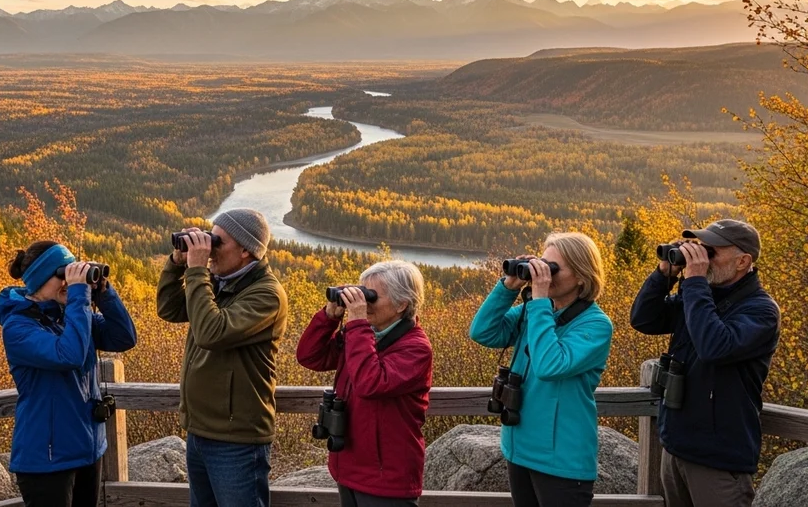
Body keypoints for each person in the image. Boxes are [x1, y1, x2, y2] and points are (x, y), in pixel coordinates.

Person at [630, 219, 780, 507]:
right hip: (675, 448)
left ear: (743, 261)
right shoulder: (699, 297)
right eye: (701, 248)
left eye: (711, 252)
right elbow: (644, 319)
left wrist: (695, 282)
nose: (702, 258)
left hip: (718, 461)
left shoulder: (761, 311)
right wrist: (664, 274)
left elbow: (714, 347)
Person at [468, 232, 613, 507]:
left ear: (581, 277)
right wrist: (508, 287)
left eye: (553, 268)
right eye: (542, 264)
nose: (543, 274)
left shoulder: (595, 325)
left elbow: (549, 366)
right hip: (519, 448)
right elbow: (482, 332)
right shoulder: (534, 313)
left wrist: (539, 303)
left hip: (562, 460)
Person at [155, 208, 288, 507]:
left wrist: (197, 270)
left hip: (236, 440)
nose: (210, 250)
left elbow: (210, 333)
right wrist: (177, 264)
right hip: (199, 431)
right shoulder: (219, 283)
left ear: (245, 250)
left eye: (217, 242)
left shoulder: (266, 295)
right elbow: (169, 309)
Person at [0, 241, 137, 507]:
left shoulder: (68, 316)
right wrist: (79, 294)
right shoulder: (18, 327)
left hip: (87, 451)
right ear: (39, 280)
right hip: (47, 461)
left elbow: (124, 337)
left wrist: (104, 294)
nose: (68, 283)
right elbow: (69, 355)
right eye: (63, 274)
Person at [296, 260, 434, 507]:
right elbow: (309, 356)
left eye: (371, 296)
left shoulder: (416, 348)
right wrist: (329, 317)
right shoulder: (362, 335)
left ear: (401, 304)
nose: (363, 302)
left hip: (386, 479)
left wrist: (357, 323)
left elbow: (370, 383)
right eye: (362, 293)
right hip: (348, 468)